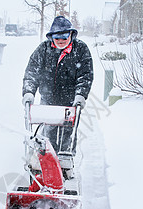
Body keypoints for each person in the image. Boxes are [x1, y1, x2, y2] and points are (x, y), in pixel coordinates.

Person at [22, 15, 93, 156]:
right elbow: (32, 72)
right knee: (47, 134)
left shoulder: (80, 49)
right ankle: (45, 162)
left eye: (64, 37)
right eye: (57, 38)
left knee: (67, 135)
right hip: (48, 100)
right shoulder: (44, 49)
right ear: (51, 37)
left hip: (70, 102)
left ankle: (66, 164)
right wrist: (28, 92)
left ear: (71, 35)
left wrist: (80, 95)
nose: (61, 41)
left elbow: (85, 75)